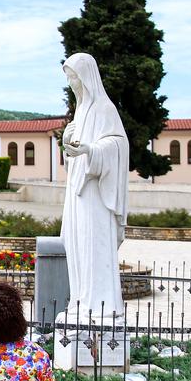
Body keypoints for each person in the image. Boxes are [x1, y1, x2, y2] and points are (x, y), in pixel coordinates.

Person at [60, 53, 129, 316]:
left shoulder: (104, 109)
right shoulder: (81, 110)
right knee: (76, 246)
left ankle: (101, 306)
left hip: (96, 196)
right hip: (78, 193)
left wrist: (91, 150)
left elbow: (118, 145)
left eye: (74, 77)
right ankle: (79, 300)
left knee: (93, 248)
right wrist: (69, 141)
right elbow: (74, 153)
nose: (71, 84)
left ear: (87, 77)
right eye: (69, 78)